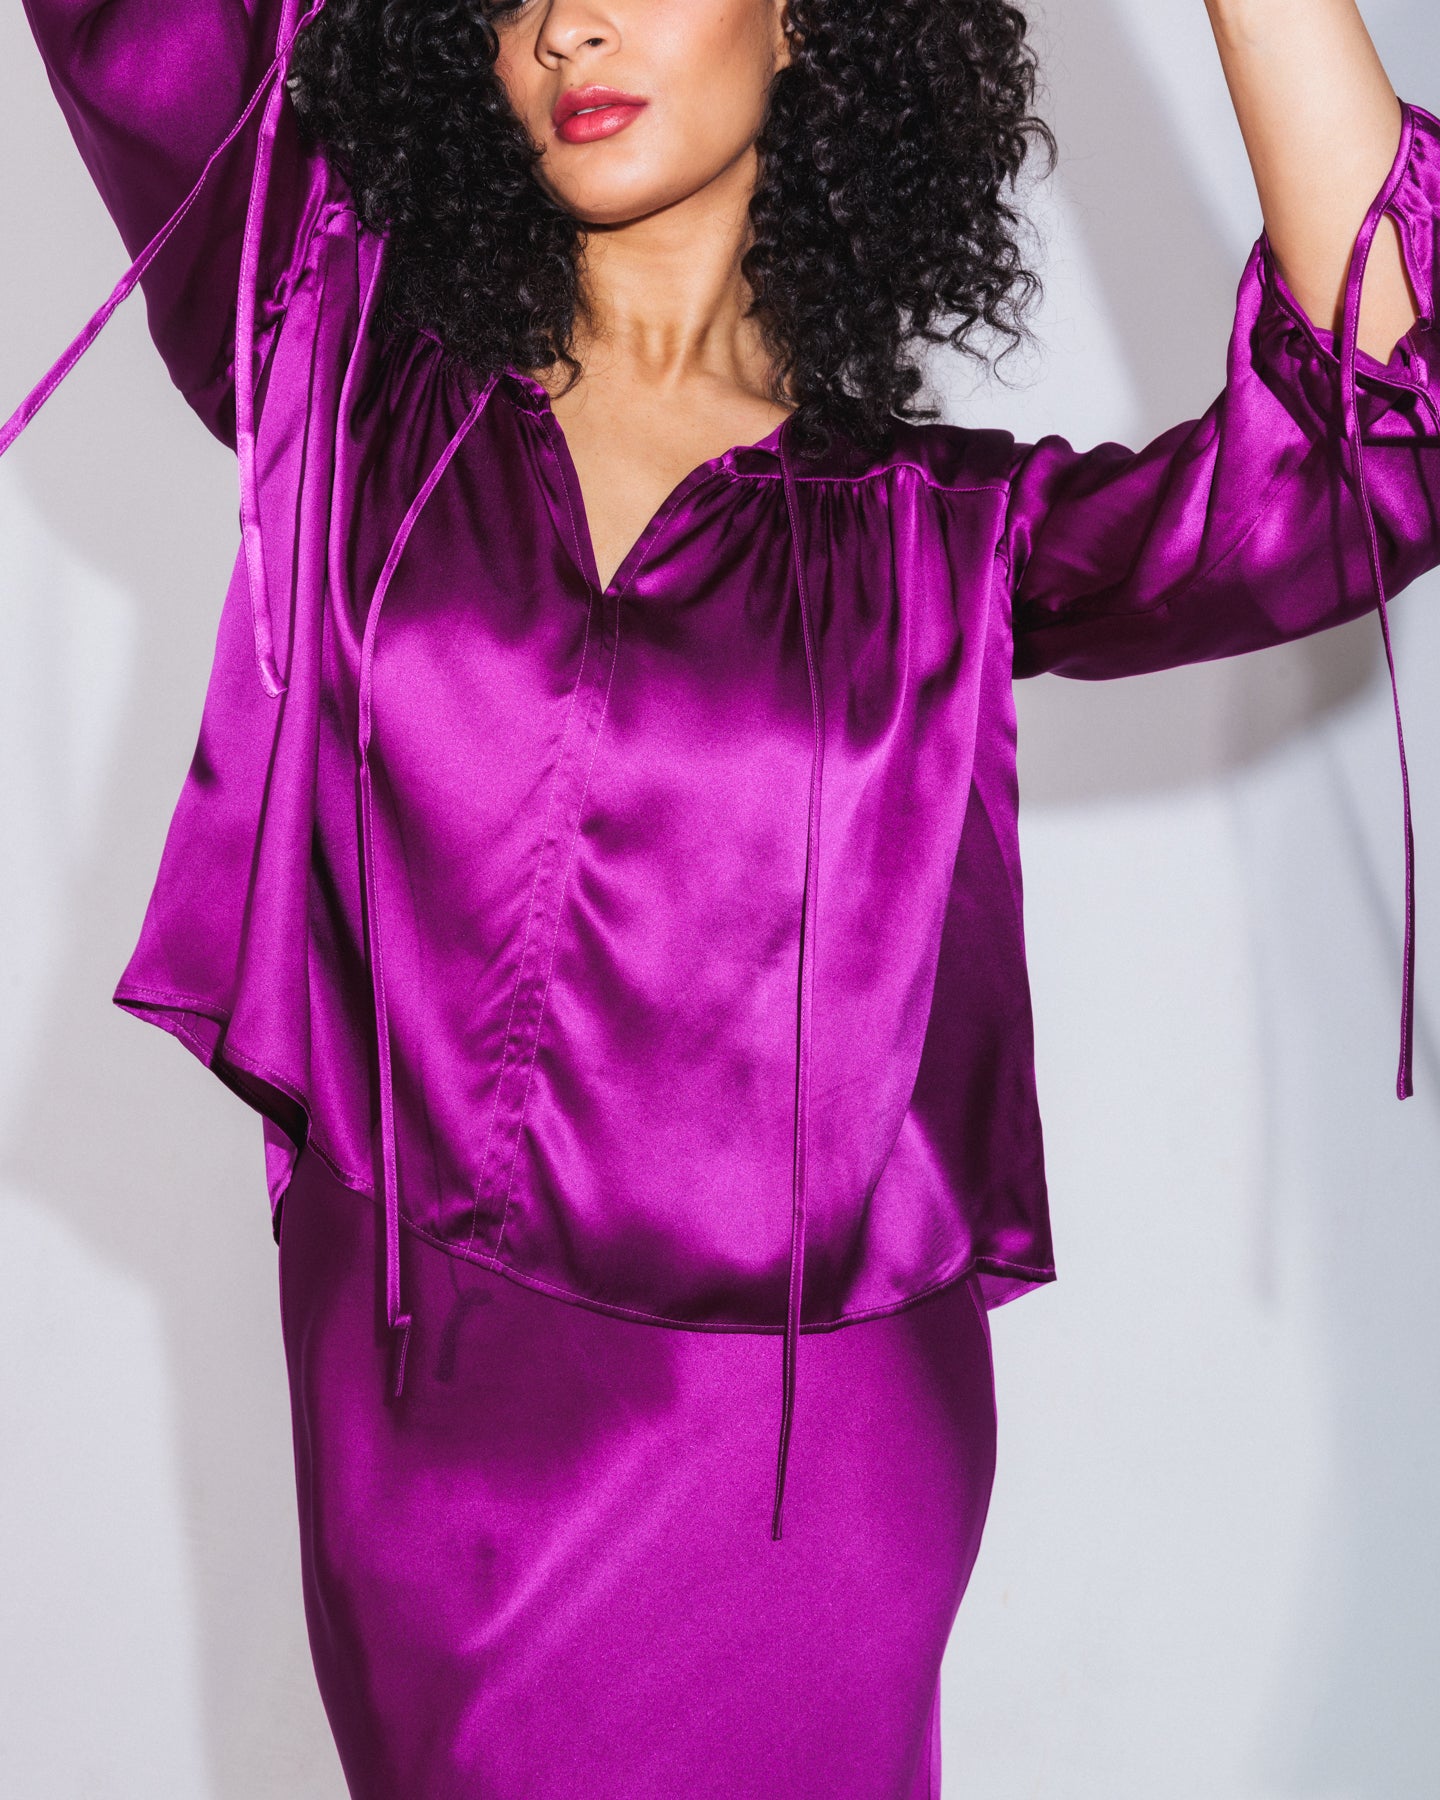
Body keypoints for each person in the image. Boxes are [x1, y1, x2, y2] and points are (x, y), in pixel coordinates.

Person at [8, 0, 1437, 1793]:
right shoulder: (341, 355)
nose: (567, 26)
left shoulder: (940, 541)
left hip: (792, 1471)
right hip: (416, 1451)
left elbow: (1375, 441)